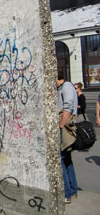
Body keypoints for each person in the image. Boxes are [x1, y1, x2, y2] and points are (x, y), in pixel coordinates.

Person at [57, 72, 78, 204]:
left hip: (65, 127)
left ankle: (67, 194)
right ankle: (73, 190)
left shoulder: (66, 87)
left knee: (62, 159)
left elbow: (68, 108)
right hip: (65, 126)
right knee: (67, 159)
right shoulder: (62, 88)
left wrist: (61, 125)